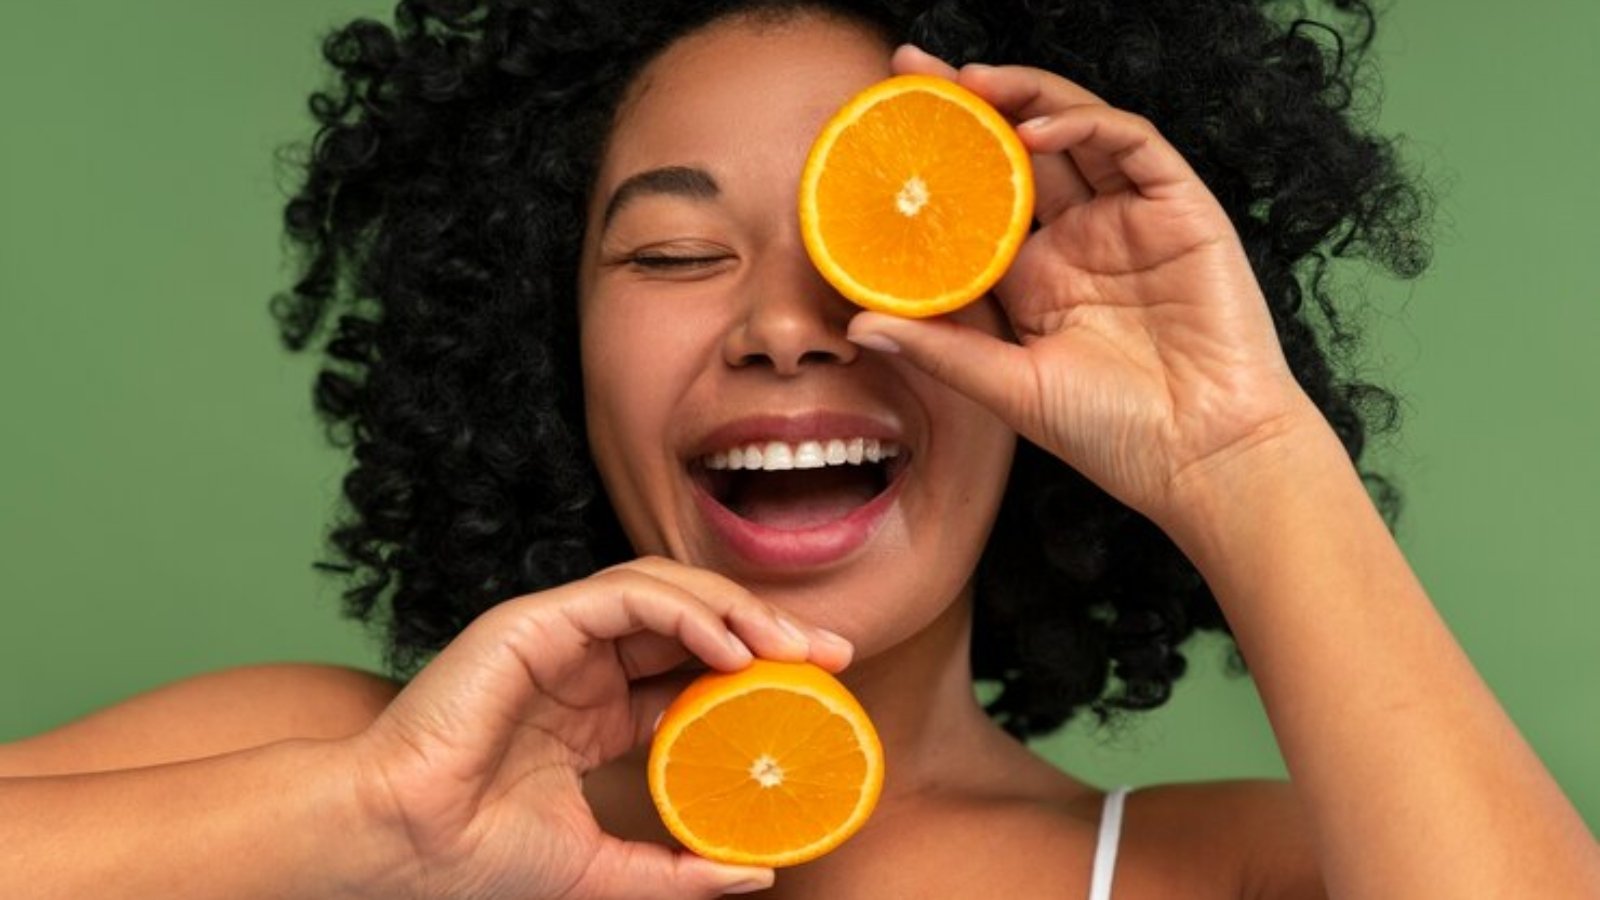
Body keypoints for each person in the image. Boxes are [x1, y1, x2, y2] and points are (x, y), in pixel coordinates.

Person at [2, 0, 1595, 897]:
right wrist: (375, 827)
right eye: (678, 257)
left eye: (876, 259)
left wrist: (1244, 454)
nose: (782, 325)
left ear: (1032, 346)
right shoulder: (321, 768)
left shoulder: (1214, 874)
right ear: (531, 338)